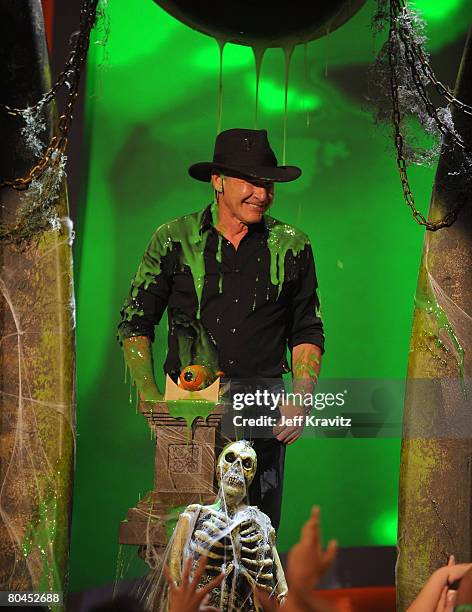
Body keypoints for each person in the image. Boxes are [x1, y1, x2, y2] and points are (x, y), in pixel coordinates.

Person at [117, 128, 325, 530]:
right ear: (218, 181)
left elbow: (307, 329)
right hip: (190, 401)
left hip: (262, 398)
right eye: (251, 182)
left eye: (268, 184)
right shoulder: (173, 239)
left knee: (255, 532)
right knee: (187, 529)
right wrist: (152, 401)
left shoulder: (292, 245)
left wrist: (301, 397)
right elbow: (135, 323)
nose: (261, 194)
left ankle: (248, 595)